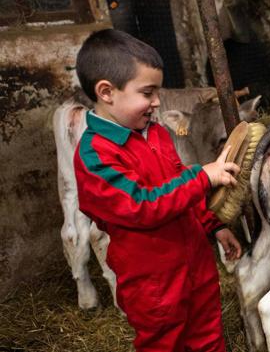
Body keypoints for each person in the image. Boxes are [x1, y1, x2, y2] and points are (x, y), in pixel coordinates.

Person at [73, 29, 242, 352]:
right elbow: (141, 206)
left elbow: (179, 185)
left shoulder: (157, 133)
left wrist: (214, 225)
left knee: (210, 337)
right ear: (107, 92)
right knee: (164, 344)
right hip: (154, 285)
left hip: (197, 266)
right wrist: (202, 178)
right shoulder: (96, 155)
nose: (157, 102)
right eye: (147, 93)